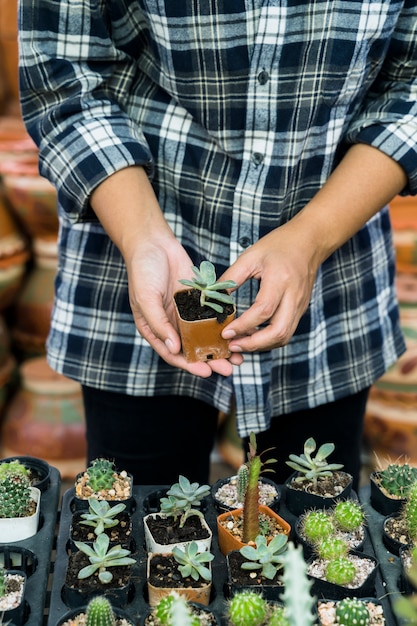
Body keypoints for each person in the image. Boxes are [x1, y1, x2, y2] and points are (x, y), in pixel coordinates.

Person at [18, 1, 417, 490]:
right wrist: (141, 234)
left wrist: (312, 238)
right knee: (140, 516)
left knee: (317, 532)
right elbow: (59, 66)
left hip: (334, 285)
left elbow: (410, 86)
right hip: (133, 256)